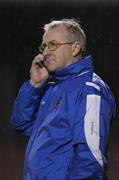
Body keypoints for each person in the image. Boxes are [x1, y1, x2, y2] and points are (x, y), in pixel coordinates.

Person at [10, 18, 116, 180]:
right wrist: (34, 85)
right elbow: (21, 125)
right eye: (44, 46)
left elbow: (91, 158)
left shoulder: (89, 90)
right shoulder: (53, 87)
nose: (45, 52)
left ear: (75, 48)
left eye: (53, 45)